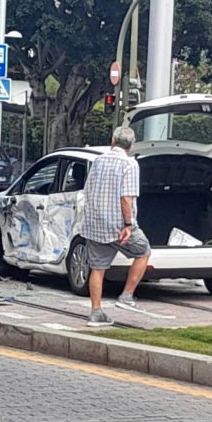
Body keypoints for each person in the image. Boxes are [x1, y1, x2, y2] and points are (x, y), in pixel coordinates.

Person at [80, 126, 151, 327]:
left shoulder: (98, 161)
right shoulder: (130, 164)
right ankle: (127, 296)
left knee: (97, 268)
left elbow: (88, 191)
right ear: (131, 145)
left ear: (113, 141)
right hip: (118, 225)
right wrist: (128, 224)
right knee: (143, 251)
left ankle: (96, 313)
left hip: (95, 224)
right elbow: (126, 198)